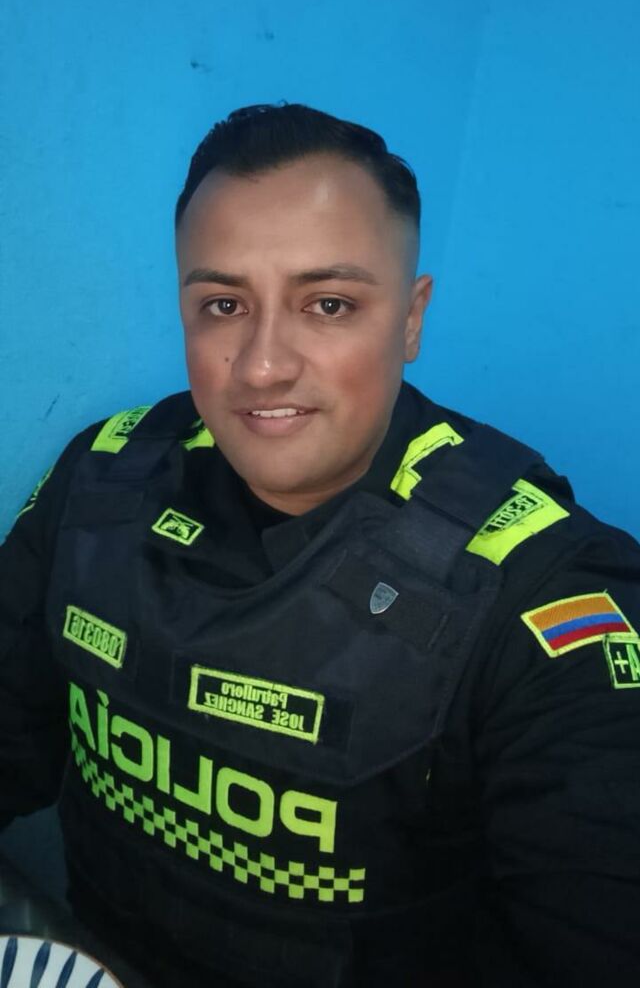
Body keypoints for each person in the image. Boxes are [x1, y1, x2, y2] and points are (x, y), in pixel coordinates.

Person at [1, 103, 639, 988]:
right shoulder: (103, 480)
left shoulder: (537, 592)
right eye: (224, 305)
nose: (263, 365)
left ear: (410, 319)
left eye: (328, 304)